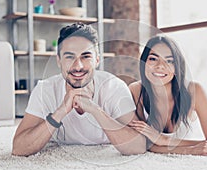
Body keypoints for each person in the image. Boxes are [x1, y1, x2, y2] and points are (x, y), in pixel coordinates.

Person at [12, 22, 146, 156]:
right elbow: (19, 148)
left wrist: (96, 110)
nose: (78, 66)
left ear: (97, 60)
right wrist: (60, 112)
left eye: (86, 56)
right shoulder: (45, 90)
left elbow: (138, 146)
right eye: (70, 57)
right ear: (59, 60)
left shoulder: (114, 87)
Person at [128, 35, 207, 157]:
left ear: (177, 66)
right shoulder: (136, 90)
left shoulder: (195, 91)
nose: (160, 66)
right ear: (143, 62)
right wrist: (190, 150)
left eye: (169, 61)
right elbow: (143, 143)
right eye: (153, 59)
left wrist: (163, 140)